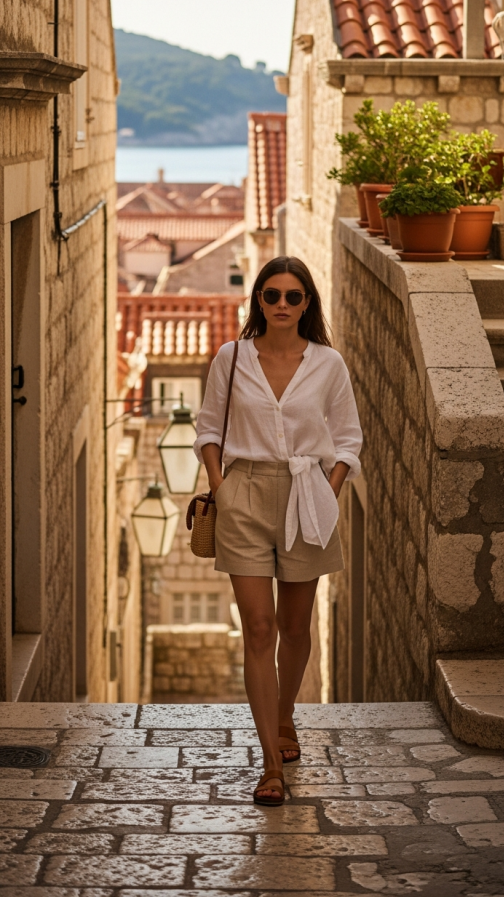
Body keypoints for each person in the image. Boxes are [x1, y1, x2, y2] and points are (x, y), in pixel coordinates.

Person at [194, 256, 362, 805]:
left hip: (306, 495)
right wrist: (222, 488)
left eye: (293, 296)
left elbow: (348, 438)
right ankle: (270, 764)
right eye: (272, 295)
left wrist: (328, 489)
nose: (282, 305)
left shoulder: (328, 363)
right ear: (258, 301)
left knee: (294, 626)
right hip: (243, 494)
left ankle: (285, 713)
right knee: (259, 629)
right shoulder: (232, 357)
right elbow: (208, 429)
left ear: (307, 302)